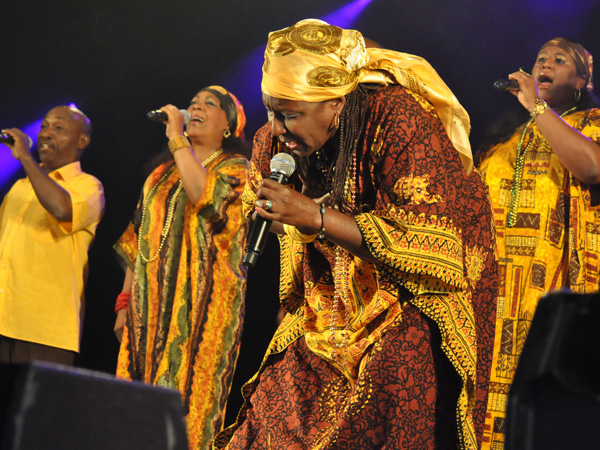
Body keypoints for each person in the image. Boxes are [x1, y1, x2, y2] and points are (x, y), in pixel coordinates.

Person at [215, 19, 498, 450]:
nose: (275, 128)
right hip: (331, 303)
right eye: (271, 111)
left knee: (390, 393)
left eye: (289, 114)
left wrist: (314, 216)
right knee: (274, 415)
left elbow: (436, 247)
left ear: (335, 104)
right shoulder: (272, 143)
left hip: (416, 294)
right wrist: (284, 218)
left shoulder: (400, 120)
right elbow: (280, 215)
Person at [477, 38, 599, 449]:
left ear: (583, 79)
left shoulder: (592, 123)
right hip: (495, 303)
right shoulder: (506, 144)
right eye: (540, 59)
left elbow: (592, 167)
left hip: (553, 302)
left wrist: (537, 107)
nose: (545, 64)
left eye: (560, 60)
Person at [113, 85, 249, 450]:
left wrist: (176, 139)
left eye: (209, 104)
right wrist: (124, 303)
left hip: (201, 313)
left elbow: (207, 199)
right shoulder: (159, 176)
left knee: (185, 410)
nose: (195, 107)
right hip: (147, 312)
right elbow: (136, 239)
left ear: (229, 126)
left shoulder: (236, 170)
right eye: (193, 103)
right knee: (133, 406)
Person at [0, 106, 105, 365]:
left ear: (82, 141)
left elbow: (61, 208)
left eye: (58, 128)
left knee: (35, 406)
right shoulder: (20, 187)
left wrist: (25, 157)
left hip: (43, 331)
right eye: (44, 127)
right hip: (3, 321)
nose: (46, 134)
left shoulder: (88, 186)